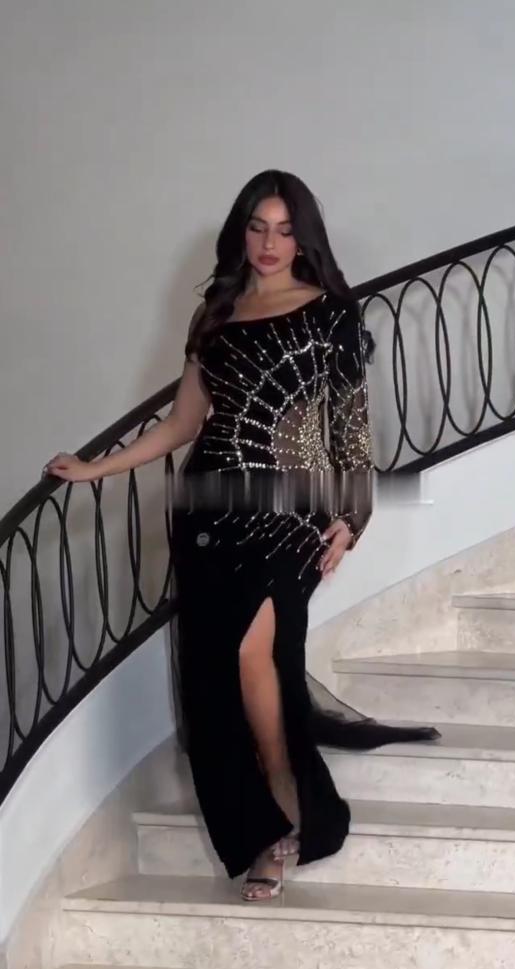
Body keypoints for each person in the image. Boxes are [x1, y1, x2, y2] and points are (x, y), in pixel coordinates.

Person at [45, 169, 439, 902]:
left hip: (289, 517)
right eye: (258, 227)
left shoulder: (331, 316)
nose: (269, 242)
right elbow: (183, 424)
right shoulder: (217, 314)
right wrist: (97, 467)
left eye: (285, 229)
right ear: (241, 232)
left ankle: (288, 807)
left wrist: (353, 518)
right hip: (209, 512)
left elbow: (352, 432)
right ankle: (261, 828)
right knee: (216, 678)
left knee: (254, 658)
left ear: (304, 238)